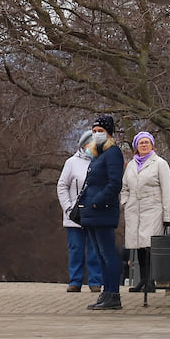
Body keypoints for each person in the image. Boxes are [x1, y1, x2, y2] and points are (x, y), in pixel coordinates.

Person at [81, 114, 125, 311]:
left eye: (101, 131)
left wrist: (97, 202)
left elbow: (114, 183)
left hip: (102, 211)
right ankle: (106, 293)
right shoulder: (97, 154)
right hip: (92, 211)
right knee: (99, 254)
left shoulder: (113, 153)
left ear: (109, 133)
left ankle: (113, 293)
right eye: (95, 131)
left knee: (108, 254)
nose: (97, 134)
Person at [121, 130, 170, 294]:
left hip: (153, 208)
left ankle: (151, 280)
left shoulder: (160, 163)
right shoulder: (131, 165)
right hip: (134, 208)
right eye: (141, 143)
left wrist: (167, 215)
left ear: (152, 145)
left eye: (146, 142)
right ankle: (142, 279)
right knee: (138, 245)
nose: (144, 145)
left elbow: (166, 190)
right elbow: (125, 188)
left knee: (150, 244)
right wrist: (125, 202)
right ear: (136, 146)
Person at [57, 130, 102, 293]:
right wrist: (68, 207)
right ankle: (75, 281)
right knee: (76, 249)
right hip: (74, 215)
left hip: (94, 213)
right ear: (84, 145)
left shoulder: (101, 162)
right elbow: (62, 185)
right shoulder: (71, 163)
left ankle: (95, 281)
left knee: (95, 249)